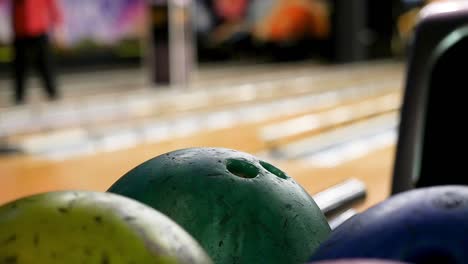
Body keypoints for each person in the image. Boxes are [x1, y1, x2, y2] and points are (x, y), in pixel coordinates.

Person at [8, 0, 64, 104]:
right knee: (20, 66)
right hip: (20, 31)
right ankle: (19, 96)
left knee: (45, 64)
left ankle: (52, 92)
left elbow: (51, 5)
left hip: (39, 29)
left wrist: (58, 28)